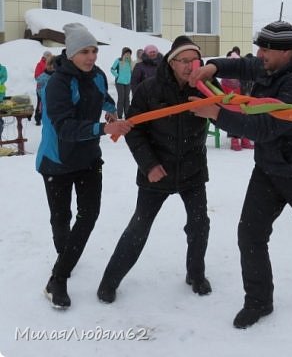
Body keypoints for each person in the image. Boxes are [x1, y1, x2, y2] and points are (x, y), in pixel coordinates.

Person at [189, 21, 292, 329]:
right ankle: (258, 300)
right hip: (268, 168)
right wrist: (213, 66)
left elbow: (266, 128)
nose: (259, 54)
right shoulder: (273, 65)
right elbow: (245, 65)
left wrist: (217, 114)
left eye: (265, 49)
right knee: (250, 234)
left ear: (285, 51)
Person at [97, 36, 213, 303]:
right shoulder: (149, 89)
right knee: (139, 227)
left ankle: (195, 274)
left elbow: (228, 107)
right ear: (171, 62)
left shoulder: (205, 88)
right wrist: (149, 165)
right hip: (156, 170)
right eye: (183, 61)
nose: (189, 66)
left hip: (193, 170)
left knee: (199, 225)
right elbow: (135, 132)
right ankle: (109, 281)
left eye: (194, 60)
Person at [36, 23, 132, 309]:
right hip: (57, 161)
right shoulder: (58, 83)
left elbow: (103, 94)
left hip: (88, 158)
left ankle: (58, 277)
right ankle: (64, 258)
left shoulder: (98, 75)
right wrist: (103, 129)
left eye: (93, 51)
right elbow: (64, 127)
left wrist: (111, 109)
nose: (91, 57)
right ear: (71, 52)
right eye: (84, 52)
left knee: (88, 216)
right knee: (61, 218)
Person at [220, 49, 254, 151]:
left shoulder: (241, 81)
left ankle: (245, 137)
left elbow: (245, 93)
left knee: (246, 115)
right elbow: (222, 96)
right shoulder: (224, 82)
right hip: (229, 106)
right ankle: (234, 139)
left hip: (240, 105)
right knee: (234, 116)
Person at [110, 47, 133, 119]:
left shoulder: (130, 62)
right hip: (119, 82)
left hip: (128, 82)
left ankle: (127, 114)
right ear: (123, 53)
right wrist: (117, 75)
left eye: (129, 53)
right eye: (126, 53)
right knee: (121, 98)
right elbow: (112, 69)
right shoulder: (118, 60)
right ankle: (119, 115)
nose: (128, 54)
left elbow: (132, 72)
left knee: (127, 98)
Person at [34, 50, 52, 125]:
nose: (49, 57)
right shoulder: (39, 64)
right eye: (48, 56)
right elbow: (37, 76)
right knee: (40, 103)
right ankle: (38, 119)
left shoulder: (51, 63)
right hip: (40, 88)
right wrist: (45, 77)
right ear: (45, 56)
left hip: (50, 88)